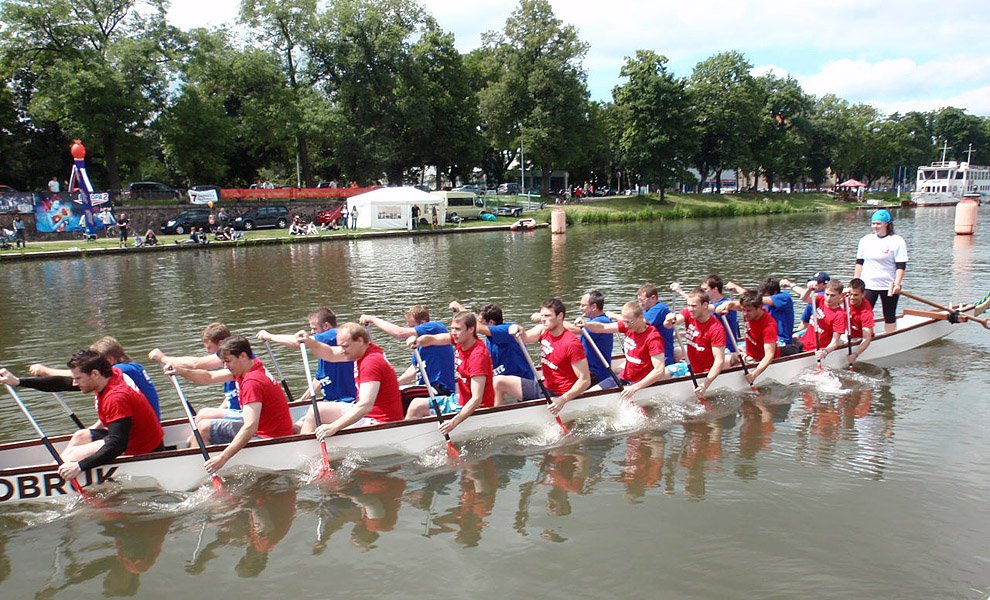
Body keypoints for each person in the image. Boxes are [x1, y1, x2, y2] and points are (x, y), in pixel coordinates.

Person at [165, 336, 293, 473]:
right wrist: (181, 371)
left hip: (269, 437)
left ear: (242, 356)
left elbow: (250, 426)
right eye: (224, 362)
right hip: (270, 429)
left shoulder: (252, 382)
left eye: (228, 361)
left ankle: (193, 472)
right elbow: (209, 377)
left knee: (203, 429)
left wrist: (222, 458)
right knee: (204, 422)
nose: (226, 366)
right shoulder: (252, 365)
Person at [57, 350, 165, 482]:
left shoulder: (116, 397)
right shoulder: (111, 376)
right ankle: (57, 471)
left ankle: (59, 475)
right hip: (135, 439)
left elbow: (118, 444)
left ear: (95, 374)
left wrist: (79, 466)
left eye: (78, 378)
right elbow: (61, 384)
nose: (74, 383)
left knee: (72, 454)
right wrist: (24, 382)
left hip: (143, 449)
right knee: (81, 436)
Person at [296, 323, 404, 438]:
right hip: (369, 415)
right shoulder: (364, 351)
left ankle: (303, 451)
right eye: (341, 346)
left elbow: (365, 405)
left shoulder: (371, 363)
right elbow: (330, 354)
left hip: (380, 421)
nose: (342, 350)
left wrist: (334, 427)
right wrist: (309, 342)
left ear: (360, 341)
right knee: (316, 410)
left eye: (345, 346)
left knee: (316, 411)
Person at [256, 307, 357, 432]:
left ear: (326, 326)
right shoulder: (323, 351)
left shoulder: (333, 335)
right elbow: (319, 380)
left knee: (304, 426)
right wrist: (302, 400)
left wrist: (269, 336)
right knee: (292, 428)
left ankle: (299, 448)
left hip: (346, 403)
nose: (312, 332)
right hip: (330, 401)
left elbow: (298, 342)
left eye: (314, 329)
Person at [492, 298, 591, 413]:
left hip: (560, 396)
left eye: (547, 316)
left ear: (560, 316)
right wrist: (519, 330)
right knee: (498, 382)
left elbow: (585, 380)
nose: (543, 319)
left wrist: (563, 399)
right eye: (542, 315)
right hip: (544, 388)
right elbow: (525, 338)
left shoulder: (572, 343)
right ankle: (497, 417)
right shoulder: (543, 330)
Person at [26, 336, 162, 418]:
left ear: (109, 360)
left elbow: (79, 376)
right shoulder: (133, 367)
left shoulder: (122, 370)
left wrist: (46, 371)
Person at [406, 311, 494, 434]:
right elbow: (432, 339)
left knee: (417, 407)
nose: (453, 332)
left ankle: (408, 438)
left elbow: (476, 399)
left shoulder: (477, 356)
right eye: (452, 328)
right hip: (458, 399)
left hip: (476, 408)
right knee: (416, 403)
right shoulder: (459, 339)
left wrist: (453, 422)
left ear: (471, 329)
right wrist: (418, 341)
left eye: (457, 329)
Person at [148, 323, 242, 424]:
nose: (208, 352)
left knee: (202, 415)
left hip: (246, 415)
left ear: (221, 343)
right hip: (236, 412)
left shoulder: (236, 359)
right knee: (205, 418)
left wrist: (162, 358)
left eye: (209, 347)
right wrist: (217, 412)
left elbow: (197, 365)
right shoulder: (230, 365)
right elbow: (231, 395)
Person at [580, 301, 667, 401]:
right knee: (589, 394)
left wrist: (634, 388)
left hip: (640, 384)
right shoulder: (628, 326)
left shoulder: (653, 339)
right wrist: (586, 324)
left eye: (629, 322)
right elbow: (602, 327)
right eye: (624, 321)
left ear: (640, 317)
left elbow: (659, 371)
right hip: (624, 377)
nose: (625, 326)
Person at [360, 307, 456, 395]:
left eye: (412, 327)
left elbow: (399, 333)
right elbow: (414, 369)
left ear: (423, 323)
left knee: (402, 395)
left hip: (440, 388)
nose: (410, 330)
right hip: (425, 387)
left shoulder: (434, 327)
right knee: (390, 392)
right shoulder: (419, 344)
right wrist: (395, 383)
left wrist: (373, 319)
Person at [664, 288, 726, 399]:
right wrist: (669, 320)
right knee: (660, 374)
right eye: (688, 305)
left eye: (694, 306)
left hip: (705, 373)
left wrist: (705, 385)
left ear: (705, 305)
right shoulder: (689, 314)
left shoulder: (716, 329)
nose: (690, 309)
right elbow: (668, 325)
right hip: (689, 366)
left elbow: (719, 361)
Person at [448, 301, 533, 380]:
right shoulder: (490, 336)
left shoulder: (507, 330)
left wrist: (460, 309)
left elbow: (477, 327)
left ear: (491, 322)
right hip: (500, 379)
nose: (477, 322)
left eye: (480, 321)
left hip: (520, 380)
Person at [855, 209, 908, 334]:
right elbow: (859, 263)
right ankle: (865, 338)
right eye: (873, 223)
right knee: (863, 314)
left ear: (887, 224)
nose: (875, 226)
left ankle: (890, 337)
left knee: (889, 314)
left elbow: (901, 265)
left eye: (878, 224)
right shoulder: (865, 240)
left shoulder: (897, 241)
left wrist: (897, 284)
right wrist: (856, 282)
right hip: (868, 285)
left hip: (888, 286)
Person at [715, 290, 778, 386]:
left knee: (725, 363)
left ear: (760, 308)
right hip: (748, 356)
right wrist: (725, 306)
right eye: (743, 309)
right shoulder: (748, 309)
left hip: (759, 361)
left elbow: (769, 356)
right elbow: (731, 304)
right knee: (718, 361)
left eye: (748, 311)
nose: (744, 313)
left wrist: (754, 374)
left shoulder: (769, 325)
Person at [788, 278, 847, 360]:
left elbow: (835, 342)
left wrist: (824, 352)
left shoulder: (839, 315)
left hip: (817, 350)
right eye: (827, 294)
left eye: (832, 295)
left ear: (840, 296)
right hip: (803, 343)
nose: (828, 298)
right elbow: (804, 298)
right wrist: (809, 289)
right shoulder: (821, 299)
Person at [571, 289, 615, 387]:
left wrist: (553, 322)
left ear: (594, 307)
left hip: (596, 376)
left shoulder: (602, 322)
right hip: (587, 371)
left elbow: (574, 330)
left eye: (583, 305)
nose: (580, 308)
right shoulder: (591, 322)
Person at [626, 284, 676, 366]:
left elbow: (640, 323)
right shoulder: (645, 310)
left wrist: (616, 317)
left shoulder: (660, 309)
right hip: (647, 355)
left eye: (642, 300)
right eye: (638, 300)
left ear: (653, 298)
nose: (640, 304)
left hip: (662, 357)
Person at [845, 278, 876, 365]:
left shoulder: (866, 313)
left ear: (863, 294)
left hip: (859, 338)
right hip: (847, 333)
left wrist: (855, 354)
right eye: (850, 294)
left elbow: (867, 338)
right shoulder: (846, 298)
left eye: (855, 295)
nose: (851, 297)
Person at [798, 272, 830, 336]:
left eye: (817, 282)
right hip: (813, 329)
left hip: (825, 331)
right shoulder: (810, 303)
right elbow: (803, 324)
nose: (814, 284)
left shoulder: (824, 296)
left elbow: (805, 298)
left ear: (825, 285)